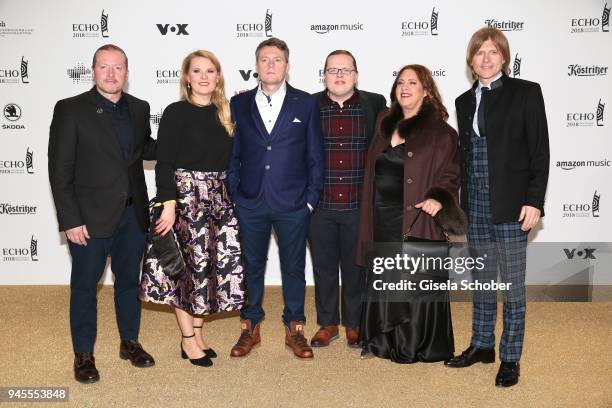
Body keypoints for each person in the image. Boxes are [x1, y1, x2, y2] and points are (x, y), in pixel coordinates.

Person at [444, 27, 549, 388]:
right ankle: (482, 344)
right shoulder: (462, 101)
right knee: (483, 282)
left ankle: (510, 358)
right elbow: (467, 156)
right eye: (479, 53)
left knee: (513, 289)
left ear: (503, 57)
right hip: (476, 204)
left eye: (493, 52)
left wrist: (535, 201)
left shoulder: (526, 93)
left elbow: (539, 150)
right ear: (470, 61)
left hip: (512, 203)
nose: (486, 59)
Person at [48, 44, 156, 384]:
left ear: (127, 71)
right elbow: (59, 170)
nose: (111, 74)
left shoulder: (140, 108)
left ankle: (130, 342)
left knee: (129, 283)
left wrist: (192, 130)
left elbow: (148, 150)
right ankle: (83, 355)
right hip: (89, 220)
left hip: (132, 217)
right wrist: (70, 219)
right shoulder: (71, 109)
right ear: (93, 71)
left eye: (118, 67)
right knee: (84, 287)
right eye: (104, 67)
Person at [140, 50, 245, 367]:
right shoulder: (176, 112)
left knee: (208, 270)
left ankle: (198, 334)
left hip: (219, 198)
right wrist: (167, 205)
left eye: (210, 71)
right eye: (196, 71)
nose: (203, 77)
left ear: (218, 77)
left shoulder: (226, 113)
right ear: (187, 77)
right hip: (185, 200)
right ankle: (187, 341)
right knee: (185, 271)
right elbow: (165, 162)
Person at [357, 64, 466, 363]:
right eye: (400, 82)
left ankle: (414, 346)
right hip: (382, 215)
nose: (404, 87)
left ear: (426, 90)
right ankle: (380, 342)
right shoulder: (383, 122)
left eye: (413, 83)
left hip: (416, 216)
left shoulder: (441, 132)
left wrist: (438, 198)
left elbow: (452, 173)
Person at [227, 37, 324, 359]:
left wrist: (310, 199)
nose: (271, 65)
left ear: (287, 65)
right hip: (250, 202)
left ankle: (295, 329)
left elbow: (315, 155)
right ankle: (249, 328)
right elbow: (234, 154)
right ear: (256, 66)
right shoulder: (238, 104)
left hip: (293, 204)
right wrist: (235, 194)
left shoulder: (306, 103)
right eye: (265, 60)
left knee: (294, 267)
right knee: (250, 266)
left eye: (277, 59)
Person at [309, 50, 386, 348]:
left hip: (358, 204)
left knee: (356, 268)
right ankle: (328, 324)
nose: (339, 75)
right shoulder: (310, 105)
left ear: (356, 74)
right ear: (324, 75)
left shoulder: (375, 103)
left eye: (345, 69)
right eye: (332, 70)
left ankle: (354, 324)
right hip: (321, 205)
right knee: (324, 267)